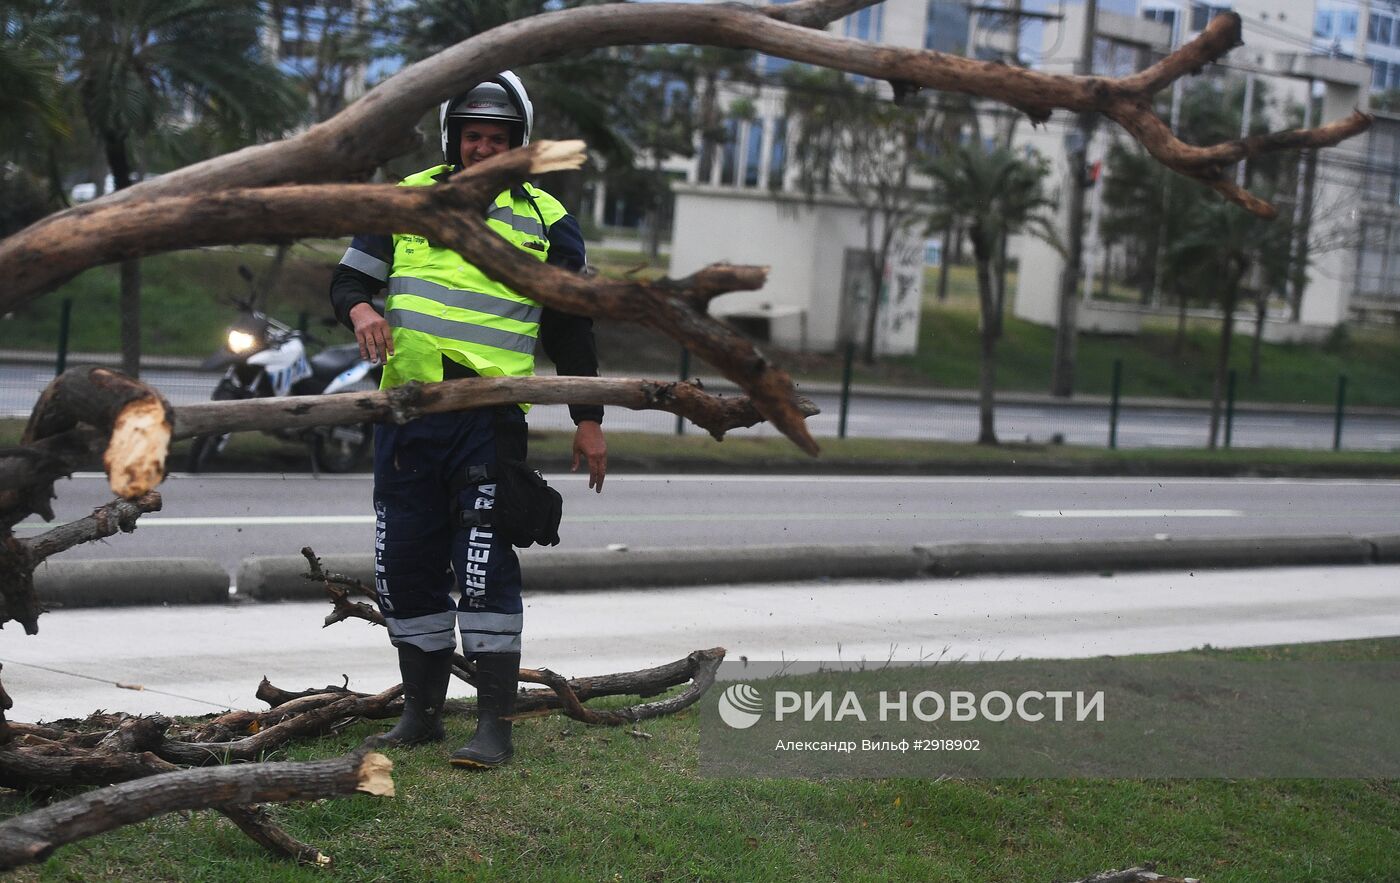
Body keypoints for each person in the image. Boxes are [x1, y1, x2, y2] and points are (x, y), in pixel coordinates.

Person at [329, 71, 606, 769]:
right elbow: (350, 278)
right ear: (455, 138)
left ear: (519, 145)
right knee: (405, 567)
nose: (484, 148)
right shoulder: (408, 200)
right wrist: (362, 309)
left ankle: (493, 726)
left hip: (488, 419)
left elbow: (571, 328)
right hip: (406, 416)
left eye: (499, 138)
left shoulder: (548, 219)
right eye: (474, 135)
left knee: (482, 569)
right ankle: (420, 714)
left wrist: (588, 417)